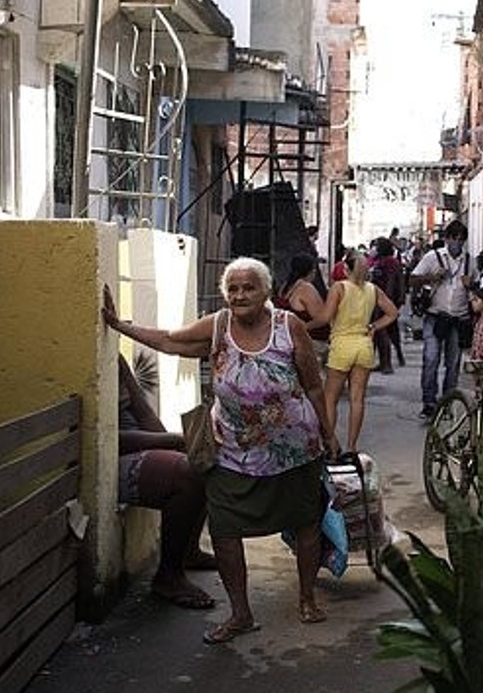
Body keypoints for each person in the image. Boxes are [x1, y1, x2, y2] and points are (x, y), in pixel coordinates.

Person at [102, 257, 340, 645]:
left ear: (265, 291)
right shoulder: (216, 327)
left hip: (294, 450)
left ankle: (307, 599)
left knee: (306, 523)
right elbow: (169, 340)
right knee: (226, 528)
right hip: (232, 450)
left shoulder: (288, 326)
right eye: (233, 288)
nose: (240, 295)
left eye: (249, 287)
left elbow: (313, 385)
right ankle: (241, 614)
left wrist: (329, 432)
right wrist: (119, 326)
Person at [116, 355, 217, 610]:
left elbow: (144, 412)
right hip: (111, 458)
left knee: (202, 460)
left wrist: (180, 443)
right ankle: (168, 576)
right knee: (187, 475)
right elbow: (106, 437)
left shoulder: (113, 359)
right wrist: (171, 441)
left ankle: (189, 552)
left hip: (136, 447)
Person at [306, 252, 399, 455]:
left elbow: (324, 318)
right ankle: (352, 446)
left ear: (346, 269)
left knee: (330, 398)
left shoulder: (339, 288)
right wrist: (374, 326)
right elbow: (393, 313)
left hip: (341, 346)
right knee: (358, 400)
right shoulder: (373, 290)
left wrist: (303, 326)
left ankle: (330, 446)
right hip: (364, 346)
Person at [410, 220, 479, 419]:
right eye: (453, 238)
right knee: (431, 358)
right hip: (435, 316)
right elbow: (413, 279)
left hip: (458, 318)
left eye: (461, 240)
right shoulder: (433, 257)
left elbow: (477, 287)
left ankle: (448, 401)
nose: (457, 243)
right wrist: (431, 277)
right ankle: (429, 402)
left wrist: (470, 285)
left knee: (453, 362)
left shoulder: (470, 261)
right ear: (446, 239)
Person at [273, 253, 330, 357]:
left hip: (287, 340)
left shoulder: (286, 287)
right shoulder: (306, 288)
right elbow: (322, 318)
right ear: (310, 271)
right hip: (311, 342)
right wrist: (303, 327)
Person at [370, 238, 407, 374]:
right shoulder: (381, 262)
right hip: (382, 299)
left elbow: (393, 281)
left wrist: (386, 301)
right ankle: (388, 360)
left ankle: (387, 364)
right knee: (391, 330)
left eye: (376, 246)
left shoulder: (389, 262)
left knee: (381, 331)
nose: (373, 249)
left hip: (385, 300)